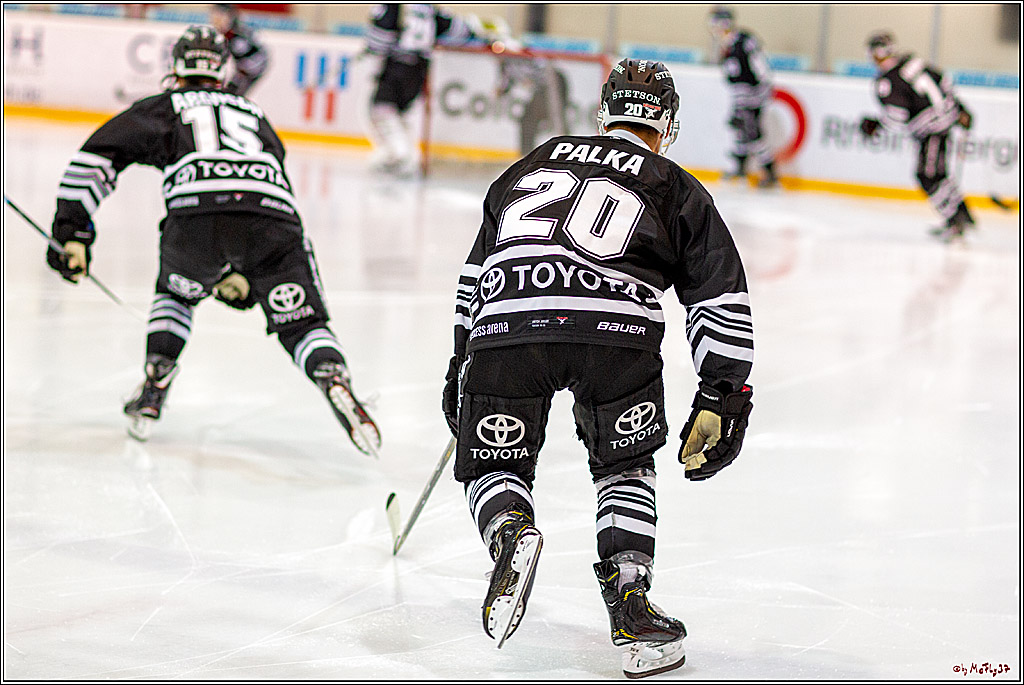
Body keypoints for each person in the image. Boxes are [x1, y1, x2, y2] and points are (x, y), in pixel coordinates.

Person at [441, 58, 755, 678]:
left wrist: (460, 360)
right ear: (663, 122)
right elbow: (718, 292)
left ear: (603, 112)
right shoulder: (673, 182)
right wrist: (723, 392)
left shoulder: (533, 163)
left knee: (496, 462)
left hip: (508, 324)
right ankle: (632, 611)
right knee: (625, 467)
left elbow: (474, 274)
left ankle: (508, 531)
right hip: (616, 332)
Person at [46, 25, 381, 457]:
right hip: (272, 220)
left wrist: (73, 234)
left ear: (177, 67)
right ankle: (333, 377)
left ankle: (154, 385)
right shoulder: (252, 112)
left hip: (195, 222)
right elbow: (273, 172)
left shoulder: (164, 107)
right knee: (301, 322)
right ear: (221, 69)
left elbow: (97, 157)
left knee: (177, 293)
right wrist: (242, 269)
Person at [859, 31, 975, 241]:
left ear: (875, 55)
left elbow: (897, 117)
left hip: (932, 129)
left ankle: (956, 218)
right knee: (938, 174)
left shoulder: (887, 81)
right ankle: (960, 214)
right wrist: (959, 108)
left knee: (928, 176)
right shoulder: (914, 62)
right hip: (944, 120)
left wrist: (876, 125)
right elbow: (944, 82)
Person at [363, 3, 481, 176]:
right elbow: (460, 30)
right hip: (419, 70)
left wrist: (373, 47)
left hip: (398, 65)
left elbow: (378, 40)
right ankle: (398, 153)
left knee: (382, 109)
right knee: (397, 111)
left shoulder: (393, 6)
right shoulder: (429, 10)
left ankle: (400, 154)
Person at [707, 7, 778, 187]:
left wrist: (761, 92)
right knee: (739, 129)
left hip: (753, 94)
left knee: (752, 132)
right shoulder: (726, 45)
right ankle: (740, 168)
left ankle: (769, 171)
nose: (713, 28)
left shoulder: (744, 41)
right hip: (740, 95)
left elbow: (761, 68)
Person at [485, 19, 570, 155]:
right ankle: (525, 156)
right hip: (542, 86)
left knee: (557, 119)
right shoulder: (505, 66)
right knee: (528, 120)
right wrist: (499, 91)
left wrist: (502, 47)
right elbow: (506, 84)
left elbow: (518, 49)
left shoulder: (510, 47)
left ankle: (567, 152)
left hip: (554, 80)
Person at [209, 3, 269, 97]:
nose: (215, 21)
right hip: (247, 67)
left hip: (250, 68)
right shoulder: (232, 34)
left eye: (219, 17)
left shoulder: (236, 37)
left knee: (231, 97)